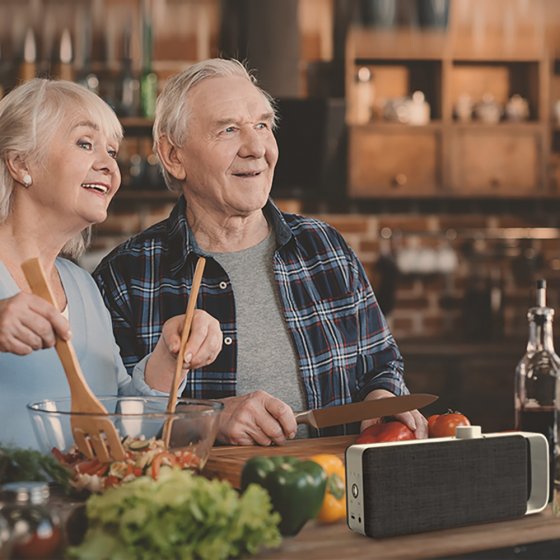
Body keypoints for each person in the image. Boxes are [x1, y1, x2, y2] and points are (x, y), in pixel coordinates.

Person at [94, 58, 428, 446]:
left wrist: (381, 401)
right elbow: (112, 420)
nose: (256, 148)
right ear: (173, 156)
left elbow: (381, 363)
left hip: (340, 496)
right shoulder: (127, 276)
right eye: (229, 130)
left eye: (262, 126)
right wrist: (209, 421)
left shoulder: (326, 248)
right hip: (206, 501)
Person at [0, 79, 222, 449]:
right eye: (85, 144)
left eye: (112, 151)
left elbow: (122, 427)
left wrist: (170, 358)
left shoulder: (82, 286)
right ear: (21, 162)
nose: (107, 165)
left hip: (80, 503)